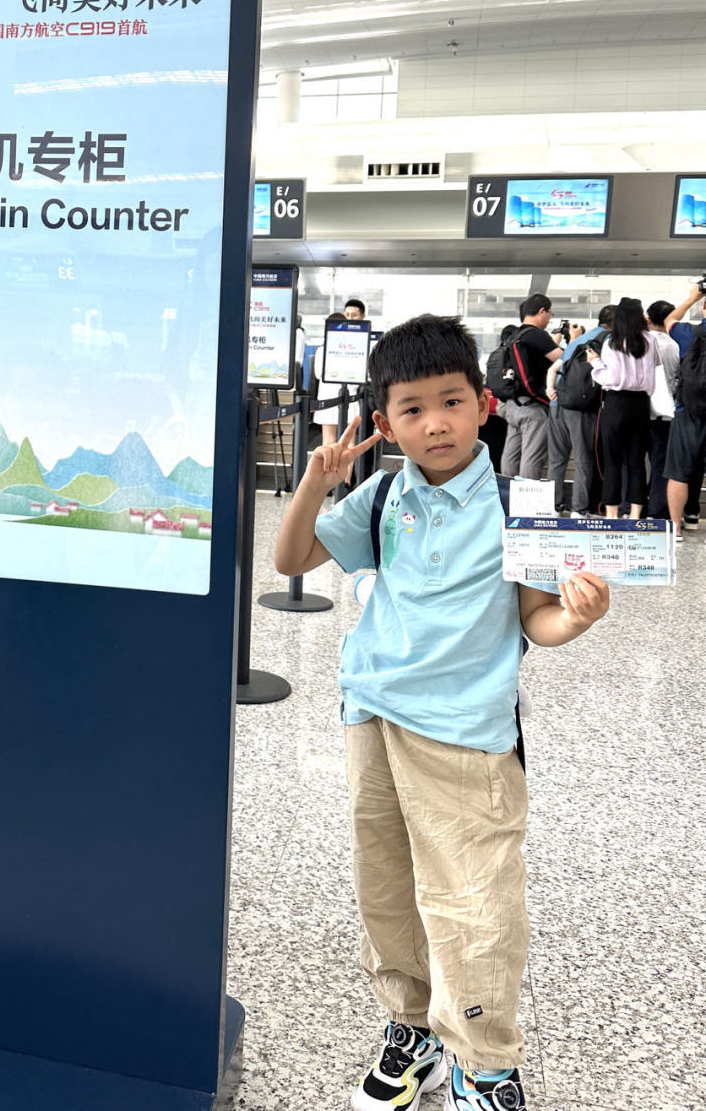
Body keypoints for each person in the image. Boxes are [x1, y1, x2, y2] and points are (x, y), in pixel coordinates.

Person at [274, 314, 609, 1111]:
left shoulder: (518, 503)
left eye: (452, 401)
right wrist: (316, 481)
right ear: (386, 423)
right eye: (414, 409)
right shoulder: (382, 495)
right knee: (387, 887)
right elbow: (291, 557)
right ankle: (414, 1028)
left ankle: (484, 1064)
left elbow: (537, 619)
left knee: (474, 902)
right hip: (373, 716)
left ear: (484, 405)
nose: (436, 423)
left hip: (467, 734)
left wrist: (577, 616)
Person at [587, 296, 657, 519]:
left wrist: (595, 362)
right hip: (641, 404)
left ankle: (612, 514)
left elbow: (612, 378)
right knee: (637, 461)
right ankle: (635, 514)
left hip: (616, 403)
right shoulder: (650, 341)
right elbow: (654, 368)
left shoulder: (612, 343)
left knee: (612, 461)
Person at [545, 305, 613, 516]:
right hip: (581, 407)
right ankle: (579, 510)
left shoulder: (580, 340)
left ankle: (554, 508)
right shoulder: (608, 340)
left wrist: (549, 389)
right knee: (583, 459)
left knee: (557, 459)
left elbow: (554, 368)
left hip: (557, 402)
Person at [501, 294, 562, 480]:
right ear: (542, 311)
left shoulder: (514, 336)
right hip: (532, 406)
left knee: (511, 455)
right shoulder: (536, 335)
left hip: (513, 404)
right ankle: (527, 496)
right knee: (532, 456)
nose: (549, 318)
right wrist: (574, 340)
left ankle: (508, 493)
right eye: (549, 314)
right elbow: (564, 360)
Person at [664, 282, 706, 537]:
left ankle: (676, 527)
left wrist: (692, 297)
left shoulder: (688, 333)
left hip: (687, 410)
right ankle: (692, 517)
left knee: (679, 470)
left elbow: (669, 320)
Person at [645, 300, 680, 520]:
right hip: (664, 413)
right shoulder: (675, 345)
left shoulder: (640, 341)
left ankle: (631, 507)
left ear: (648, 319)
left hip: (638, 409)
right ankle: (656, 511)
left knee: (634, 462)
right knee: (660, 463)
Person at [314, 300, 366, 446]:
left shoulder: (322, 349)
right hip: (347, 398)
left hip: (331, 398)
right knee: (347, 442)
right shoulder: (356, 348)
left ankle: (331, 463)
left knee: (330, 441)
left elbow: (318, 374)